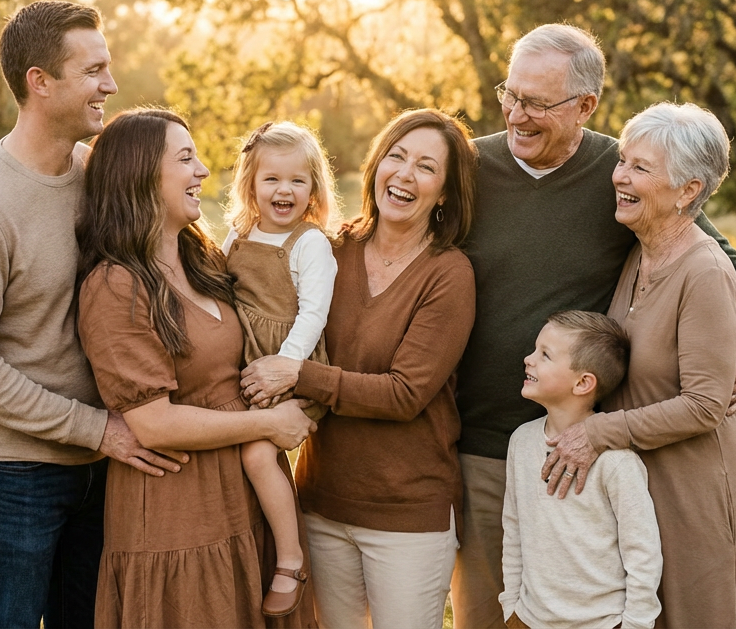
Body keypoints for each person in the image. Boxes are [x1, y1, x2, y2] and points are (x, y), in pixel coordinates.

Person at [450, 23, 736, 628]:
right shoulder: (469, 167)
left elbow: (721, 257)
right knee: (493, 612)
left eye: (538, 103)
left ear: (584, 106)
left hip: (595, 449)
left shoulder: (617, 173)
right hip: (487, 447)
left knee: (603, 609)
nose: (518, 114)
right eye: (509, 94)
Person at [0, 1, 184, 628]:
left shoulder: (91, 175)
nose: (111, 85)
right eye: (94, 70)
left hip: (101, 466)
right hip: (14, 474)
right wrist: (97, 430)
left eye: (109, 67)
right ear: (39, 82)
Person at [75, 108, 319, 628]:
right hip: (178, 514)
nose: (204, 170)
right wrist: (270, 424)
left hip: (245, 497)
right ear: (141, 174)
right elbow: (153, 423)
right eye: (186, 158)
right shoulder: (117, 285)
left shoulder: (202, 257)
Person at [241, 109, 478, 628]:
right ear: (375, 167)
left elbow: (404, 394)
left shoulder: (448, 274)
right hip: (321, 503)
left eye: (426, 167)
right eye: (395, 156)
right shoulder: (327, 248)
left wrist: (296, 374)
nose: (404, 174)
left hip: (406, 516)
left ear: (444, 193)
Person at [548, 102, 736, 627]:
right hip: (645, 494)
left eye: (641, 168)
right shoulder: (641, 251)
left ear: (689, 191)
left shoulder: (704, 272)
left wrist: (600, 430)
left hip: (700, 497)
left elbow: (705, 405)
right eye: (623, 161)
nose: (620, 176)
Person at [221, 121, 341, 616]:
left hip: (291, 363)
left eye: (297, 180)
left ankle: (290, 560)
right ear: (250, 183)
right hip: (245, 360)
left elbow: (314, 313)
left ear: (314, 187)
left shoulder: (310, 244)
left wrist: (286, 366)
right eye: (271, 179)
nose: (284, 190)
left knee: (254, 453)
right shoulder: (238, 233)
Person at [500, 310, 661, 629]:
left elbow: (642, 553)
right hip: (530, 620)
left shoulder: (616, 462)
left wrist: (635, 625)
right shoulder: (521, 442)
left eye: (544, 355)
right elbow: (514, 528)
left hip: (602, 623)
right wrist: (512, 607)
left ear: (583, 383)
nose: (528, 359)